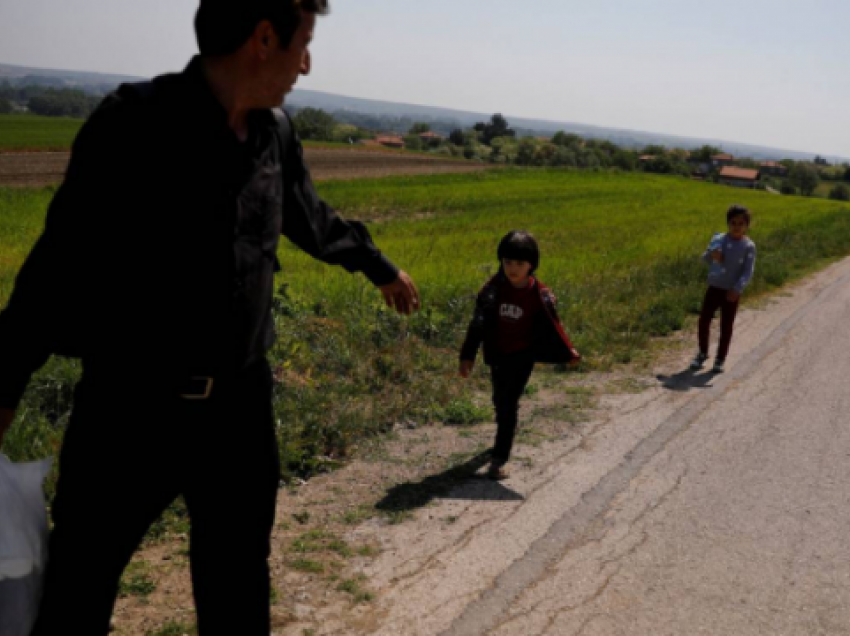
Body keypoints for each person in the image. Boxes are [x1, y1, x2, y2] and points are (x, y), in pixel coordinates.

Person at [0, 1, 419, 634]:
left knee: (237, 589)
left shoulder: (275, 131)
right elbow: (57, 265)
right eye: (303, 43)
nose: (306, 63)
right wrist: (4, 385)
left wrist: (378, 265)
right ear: (263, 37)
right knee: (79, 590)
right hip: (130, 407)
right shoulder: (135, 122)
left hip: (238, 414)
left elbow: (309, 215)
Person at [459, 231, 581, 480]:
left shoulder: (539, 294)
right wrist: (467, 356)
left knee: (509, 403)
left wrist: (568, 351)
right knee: (499, 399)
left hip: (523, 356)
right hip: (497, 354)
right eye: (508, 262)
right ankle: (504, 426)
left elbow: (553, 325)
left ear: (531, 265)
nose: (512, 269)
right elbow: (478, 324)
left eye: (519, 264)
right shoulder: (492, 290)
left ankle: (499, 459)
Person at [690, 204, 756, 374]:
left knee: (726, 326)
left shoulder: (748, 246)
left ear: (747, 225)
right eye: (733, 223)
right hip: (714, 288)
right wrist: (712, 255)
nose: (736, 227)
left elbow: (747, 271)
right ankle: (703, 353)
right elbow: (705, 258)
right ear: (728, 223)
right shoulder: (719, 239)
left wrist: (737, 289)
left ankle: (720, 359)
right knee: (704, 320)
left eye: (741, 223)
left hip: (731, 292)